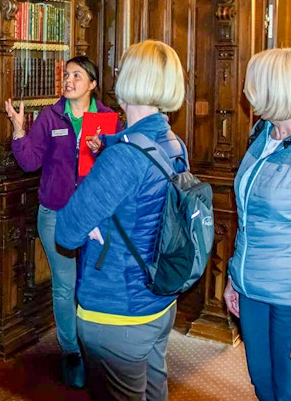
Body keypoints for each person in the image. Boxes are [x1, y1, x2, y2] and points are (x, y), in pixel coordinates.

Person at [55, 39, 187, 401]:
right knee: (153, 390)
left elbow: (66, 232)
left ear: (129, 80)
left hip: (118, 308)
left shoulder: (123, 157)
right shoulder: (173, 142)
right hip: (159, 300)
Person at [5, 55, 118, 388]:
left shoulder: (109, 119)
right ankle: (72, 354)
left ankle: (97, 350)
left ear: (93, 84)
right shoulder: (50, 116)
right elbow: (29, 162)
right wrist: (19, 129)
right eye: (66, 75)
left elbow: (121, 168)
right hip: (56, 216)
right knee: (65, 287)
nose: (68, 80)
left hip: (97, 218)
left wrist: (106, 149)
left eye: (77, 75)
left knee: (94, 286)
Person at [223, 46, 291, 401]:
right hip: (251, 288)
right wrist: (233, 277)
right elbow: (246, 218)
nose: (247, 92)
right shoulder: (261, 134)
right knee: (263, 385)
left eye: (253, 84)